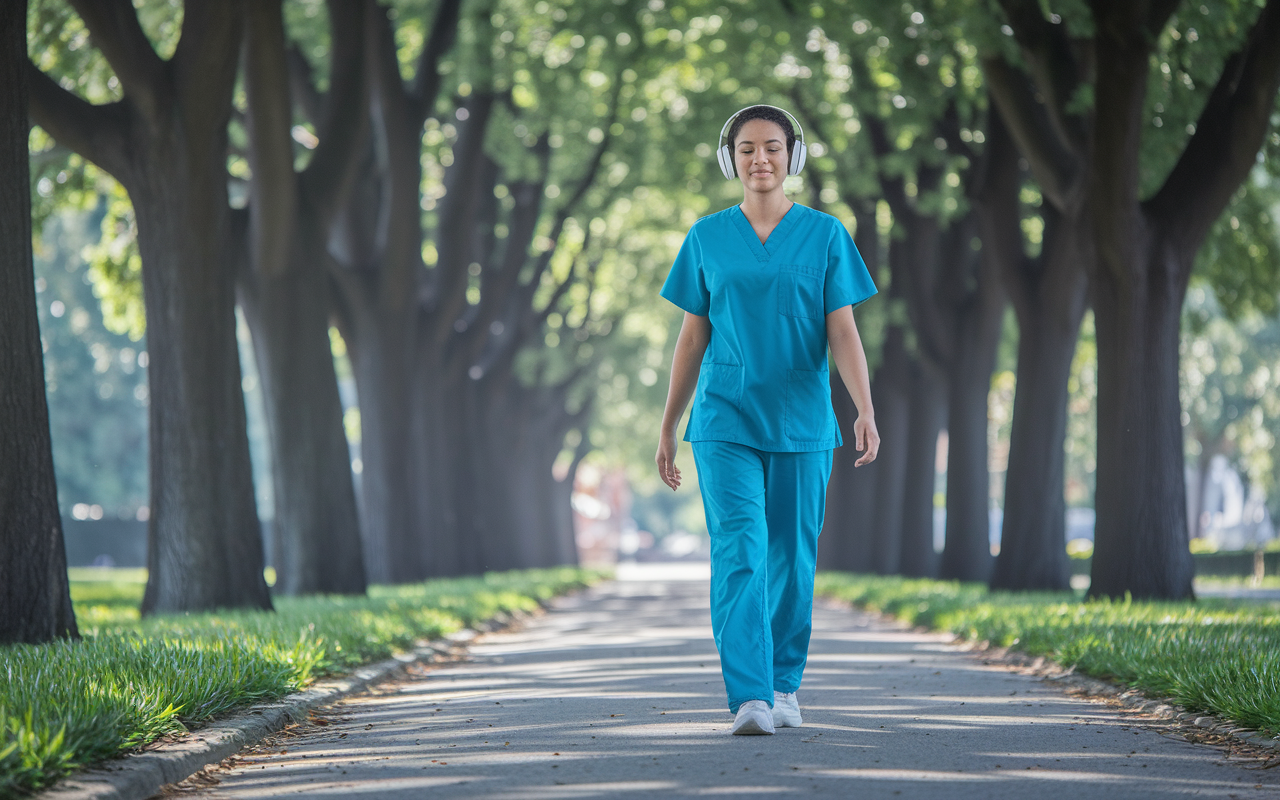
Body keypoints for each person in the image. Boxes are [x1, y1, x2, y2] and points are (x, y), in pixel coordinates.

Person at [654, 105, 880, 735]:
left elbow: (843, 330)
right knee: (741, 550)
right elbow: (691, 339)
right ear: (731, 158)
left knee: (792, 558)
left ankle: (784, 685)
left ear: (792, 157)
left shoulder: (826, 234)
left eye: (773, 147)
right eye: (748, 148)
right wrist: (669, 425)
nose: (761, 159)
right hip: (724, 419)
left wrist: (864, 409)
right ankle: (749, 697)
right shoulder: (706, 237)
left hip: (804, 418)